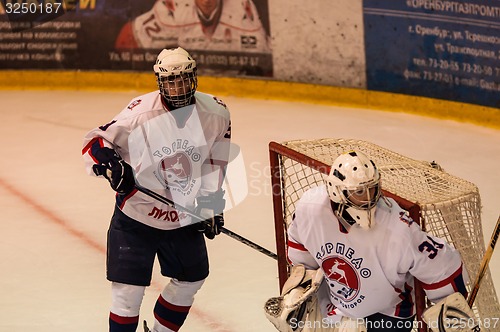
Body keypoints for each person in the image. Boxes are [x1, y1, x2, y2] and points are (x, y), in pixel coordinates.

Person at [82, 47, 231, 332]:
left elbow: (215, 162)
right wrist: (114, 166)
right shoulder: (141, 113)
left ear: (194, 78)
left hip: (183, 216)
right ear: (160, 82)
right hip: (136, 218)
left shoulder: (216, 112)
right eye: (171, 81)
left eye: (184, 79)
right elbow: (96, 143)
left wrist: (210, 204)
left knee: (192, 279)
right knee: (127, 294)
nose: (179, 87)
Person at [265, 151, 476, 332]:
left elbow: (441, 268)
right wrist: (300, 288)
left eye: (372, 188)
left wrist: (453, 316)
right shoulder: (311, 208)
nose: (368, 198)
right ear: (337, 191)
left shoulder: (397, 227)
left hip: (389, 315)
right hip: (336, 306)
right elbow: (301, 253)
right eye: (359, 192)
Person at [114, 0, 271, 54]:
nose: (207, 1)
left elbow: (264, 52)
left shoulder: (242, 8)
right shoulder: (174, 7)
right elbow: (127, 36)